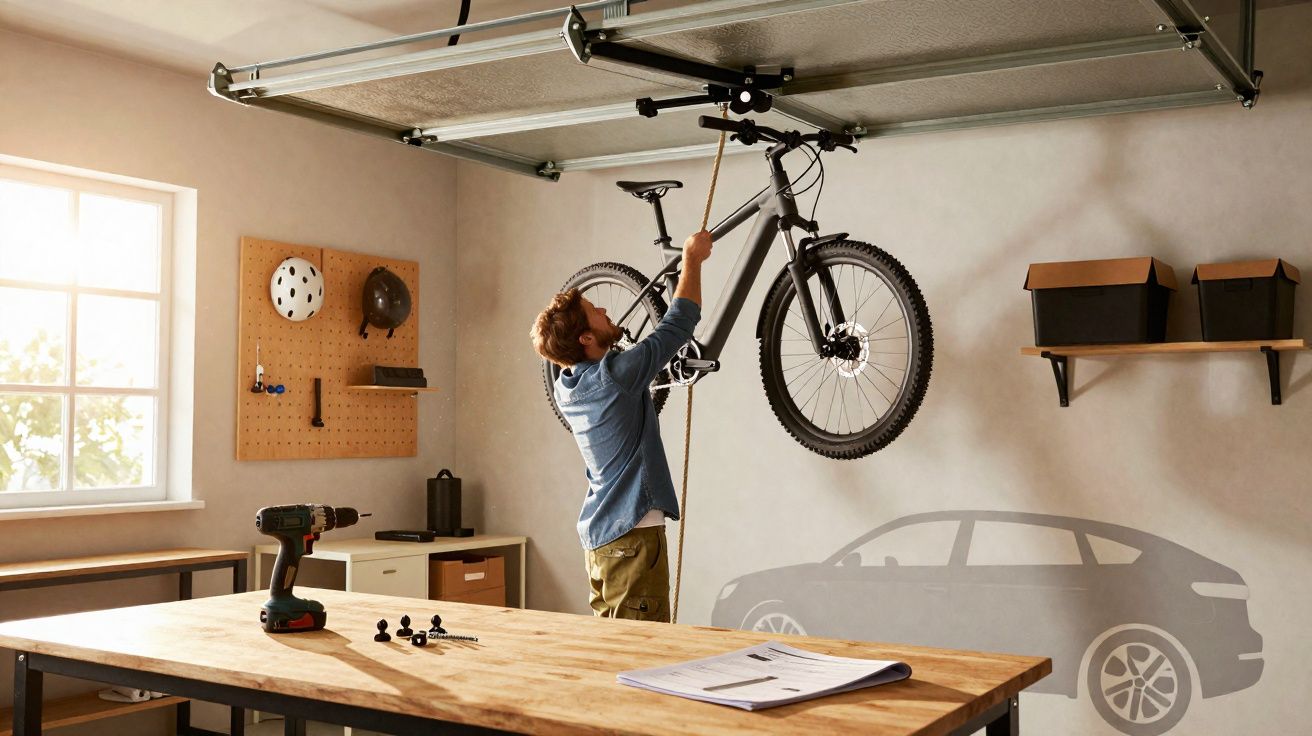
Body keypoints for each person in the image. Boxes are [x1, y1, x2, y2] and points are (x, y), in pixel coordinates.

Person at [530, 230, 713, 621]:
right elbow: (678, 325)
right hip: (632, 533)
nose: (604, 310)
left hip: (602, 541)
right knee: (642, 648)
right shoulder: (616, 376)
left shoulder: (567, 388)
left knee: (615, 646)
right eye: (595, 311)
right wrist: (692, 260)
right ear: (586, 337)